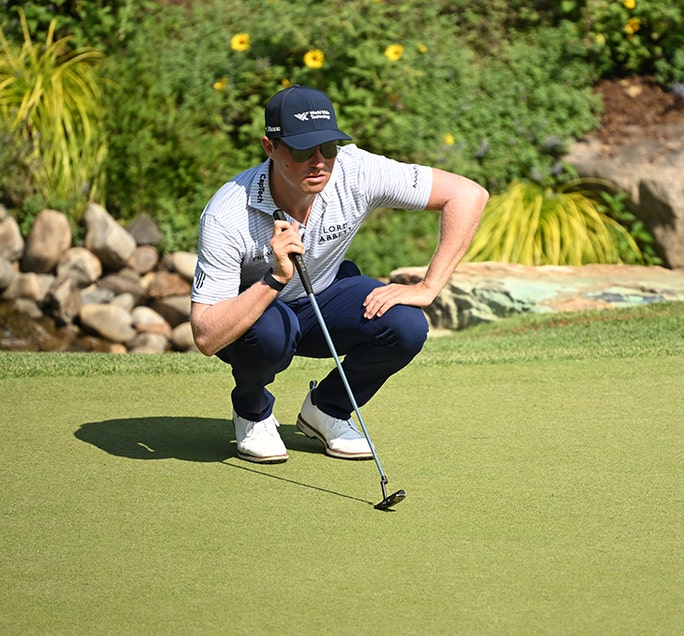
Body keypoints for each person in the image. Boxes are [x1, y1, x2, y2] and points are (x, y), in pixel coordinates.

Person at [190, 85, 488, 464]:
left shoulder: (355, 170)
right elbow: (205, 334)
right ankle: (252, 412)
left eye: (328, 148)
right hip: (256, 320)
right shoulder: (227, 213)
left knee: (406, 325)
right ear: (270, 147)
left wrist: (429, 287)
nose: (318, 162)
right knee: (269, 332)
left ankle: (327, 410)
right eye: (302, 150)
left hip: (322, 302)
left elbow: (468, 195)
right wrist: (275, 278)